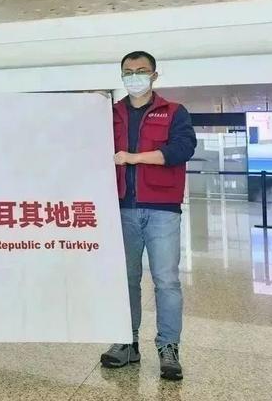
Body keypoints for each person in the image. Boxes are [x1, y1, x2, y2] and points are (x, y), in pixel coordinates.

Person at [100, 51, 197, 382]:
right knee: (125, 280)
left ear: (154, 75)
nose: (134, 76)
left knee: (166, 281)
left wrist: (133, 157)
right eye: (128, 72)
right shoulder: (109, 115)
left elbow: (181, 150)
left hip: (162, 210)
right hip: (121, 207)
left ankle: (169, 347)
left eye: (141, 71)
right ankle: (126, 342)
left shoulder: (174, 113)